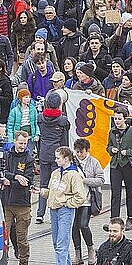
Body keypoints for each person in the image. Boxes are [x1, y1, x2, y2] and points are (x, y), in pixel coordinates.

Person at [40, 146, 86, 265]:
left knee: (61, 245)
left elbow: (80, 196)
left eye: (58, 158)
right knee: (57, 243)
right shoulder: (55, 173)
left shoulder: (74, 175)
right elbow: (51, 191)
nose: (56, 160)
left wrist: (67, 204)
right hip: (53, 210)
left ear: (66, 158)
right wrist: (41, 191)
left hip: (65, 211)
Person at [107, 106, 132, 231]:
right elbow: (108, 146)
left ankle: (130, 218)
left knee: (130, 192)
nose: (117, 121)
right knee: (115, 193)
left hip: (129, 165)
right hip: (115, 165)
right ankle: (114, 220)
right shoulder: (112, 131)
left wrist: (128, 152)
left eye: (119, 119)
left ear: (125, 119)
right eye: (115, 119)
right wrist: (111, 150)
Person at [2, 131, 35, 265]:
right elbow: (2, 173)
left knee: (22, 239)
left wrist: (9, 180)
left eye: (25, 143)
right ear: (14, 141)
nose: (22, 146)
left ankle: (23, 261)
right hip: (6, 204)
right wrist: (15, 176)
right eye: (20, 143)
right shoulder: (6, 156)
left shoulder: (29, 159)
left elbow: (27, 181)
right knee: (4, 236)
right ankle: (4, 259)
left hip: (22, 204)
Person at [36, 91, 70, 224]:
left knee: (43, 183)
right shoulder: (62, 120)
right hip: (58, 155)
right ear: (60, 105)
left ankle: (40, 213)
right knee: (57, 184)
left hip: (44, 153)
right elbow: (64, 141)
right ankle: (54, 212)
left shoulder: (40, 118)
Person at [72, 138, 105, 265]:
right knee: (74, 227)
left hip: (87, 200)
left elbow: (101, 179)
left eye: (81, 152)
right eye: (77, 152)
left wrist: (85, 180)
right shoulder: (72, 162)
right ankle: (77, 253)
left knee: (83, 225)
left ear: (87, 150)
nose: (79, 154)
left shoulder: (93, 162)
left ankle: (90, 249)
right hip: (74, 200)